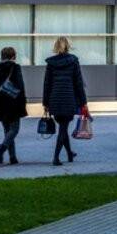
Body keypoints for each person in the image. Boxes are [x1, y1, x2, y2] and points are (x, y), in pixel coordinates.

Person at [42, 36, 88, 166]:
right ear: (68, 46)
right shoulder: (73, 61)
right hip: (69, 99)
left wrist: (45, 102)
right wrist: (83, 102)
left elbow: (47, 84)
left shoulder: (51, 63)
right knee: (63, 128)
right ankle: (56, 157)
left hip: (55, 100)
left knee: (63, 127)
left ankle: (69, 153)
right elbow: (78, 83)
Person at [0, 46, 28, 165]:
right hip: (13, 103)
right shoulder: (15, 68)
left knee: (7, 130)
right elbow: (20, 86)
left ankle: (12, 157)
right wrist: (23, 103)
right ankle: (2, 147)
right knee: (14, 129)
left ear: (2, 56)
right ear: (13, 56)